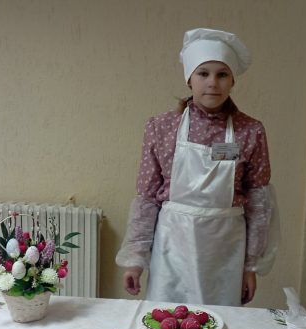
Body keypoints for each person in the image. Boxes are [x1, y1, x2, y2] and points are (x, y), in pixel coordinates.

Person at [115, 28, 277, 306]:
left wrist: (251, 266)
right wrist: (135, 260)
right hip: (172, 249)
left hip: (226, 252)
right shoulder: (161, 128)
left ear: (233, 80)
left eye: (222, 74)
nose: (212, 82)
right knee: (167, 319)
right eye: (203, 73)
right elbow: (147, 199)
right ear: (189, 79)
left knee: (221, 321)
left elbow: (259, 204)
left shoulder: (250, 131)